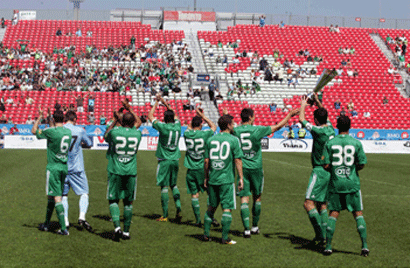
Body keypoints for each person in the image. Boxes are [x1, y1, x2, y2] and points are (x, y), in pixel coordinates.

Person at [232, 107, 299, 237]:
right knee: (257, 197)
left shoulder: (236, 130)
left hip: (242, 168)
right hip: (256, 167)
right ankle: (255, 227)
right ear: (251, 117)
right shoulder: (257, 129)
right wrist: (289, 115)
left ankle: (246, 230)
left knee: (244, 198)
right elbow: (277, 127)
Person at [322, 115, 369, 257]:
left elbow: (325, 164)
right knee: (358, 213)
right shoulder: (356, 143)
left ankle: (328, 246)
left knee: (333, 213)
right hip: (352, 183)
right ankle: (364, 247)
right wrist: (351, 170)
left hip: (336, 183)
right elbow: (362, 163)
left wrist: (336, 170)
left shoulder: (330, 143)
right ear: (350, 127)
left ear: (336, 126)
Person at [299, 94, 336, 245]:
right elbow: (324, 115)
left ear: (316, 120)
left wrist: (303, 104)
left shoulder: (318, 131)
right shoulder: (331, 129)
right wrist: (319, 102)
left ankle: (320, 235)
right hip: (330, 172)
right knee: (322, 205)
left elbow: (302, 120)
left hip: (320, 170)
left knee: (308, 203)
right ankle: (325, 236)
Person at [104, 99, 142, 241]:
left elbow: (106, 136)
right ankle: (126, 232)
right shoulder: (137, 134)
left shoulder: (115, 132)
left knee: (113, 200)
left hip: (115, 169)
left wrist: (115, 120)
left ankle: (117, 227)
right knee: (128, 202)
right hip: (131, 171)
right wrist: (130, 108)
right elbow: (138, 123)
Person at [203, 115, 244, 244]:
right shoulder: (234, 140)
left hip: (213, 178)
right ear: (228, 125)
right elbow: (237, 159)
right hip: (226, 179)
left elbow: (206, 161)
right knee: (227, 208)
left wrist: (206, 177)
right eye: (232, 123)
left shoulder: (211, 139)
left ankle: (206, 235)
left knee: (211, 207)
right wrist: (241, 178)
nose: (234, 125)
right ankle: (224, 238)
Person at [32, 107, 72, 235]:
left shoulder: (51, 131)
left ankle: (63, 229)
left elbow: (34, 131)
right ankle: (46, 224)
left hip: (53, 167)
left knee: (56, 197)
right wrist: (50, 119)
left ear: (54, 120)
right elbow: (53, 130)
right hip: (63, 166)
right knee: (52, 195)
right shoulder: (68, 132)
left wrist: (39, 117)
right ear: (64, 119)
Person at [148, 94, 182, 222]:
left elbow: (150, 116)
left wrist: (157, 103)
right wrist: (165, 103)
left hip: (164, 160)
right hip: (175, 159)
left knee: (164, 186)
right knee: (174, 185)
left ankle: (165, 215)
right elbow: (176, 116)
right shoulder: (178, 126)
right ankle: (178, 207)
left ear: (164, 118)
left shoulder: (163, 127)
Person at [183, 108, 217, 226]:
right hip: (203, 168)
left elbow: (188, 127)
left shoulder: (187, 134)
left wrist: (191, 124)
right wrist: (203, 116)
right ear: (201, 124)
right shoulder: (205, 133)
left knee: (194, 195)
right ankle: (210, 216)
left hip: (191, 168)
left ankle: (197, 220)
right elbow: (213, 126)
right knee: (209, 192)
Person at [61, 111, 93, 231]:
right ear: (74, 119)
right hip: (77, 168)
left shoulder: (60, 130)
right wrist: (80, 144)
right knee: (84, 192)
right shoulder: (79, 130)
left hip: (63, 167)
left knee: (64, 195)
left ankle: (65, 221)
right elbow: (89, 143)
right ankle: (82, 217)